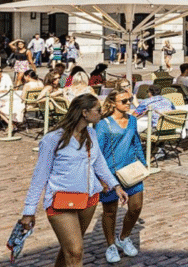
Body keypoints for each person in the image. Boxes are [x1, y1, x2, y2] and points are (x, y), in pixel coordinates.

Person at [18, 94, 128, 267]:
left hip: (89, 198)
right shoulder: (52, 139)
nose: (101, 113)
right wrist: (28, 211)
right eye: (98, 110)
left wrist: (115, 185)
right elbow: (39, 178)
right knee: (75, 251)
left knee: (69, 249)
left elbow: (99, 164)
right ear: (84, 112)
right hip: (60, 200)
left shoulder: (91, 133)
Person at [95, 89, 146, 263]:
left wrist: (143, 163)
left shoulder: (132, 120)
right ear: (113, 103)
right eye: (124, 101)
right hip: (110, 173)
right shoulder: (103, 124)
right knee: (110, 212)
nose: (128, 103)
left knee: (136, 207)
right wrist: (100, 177)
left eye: (129, 100)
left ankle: (123, 237)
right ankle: (110, 245)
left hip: (131, 170)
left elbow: (136, 142)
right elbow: (98, 152)